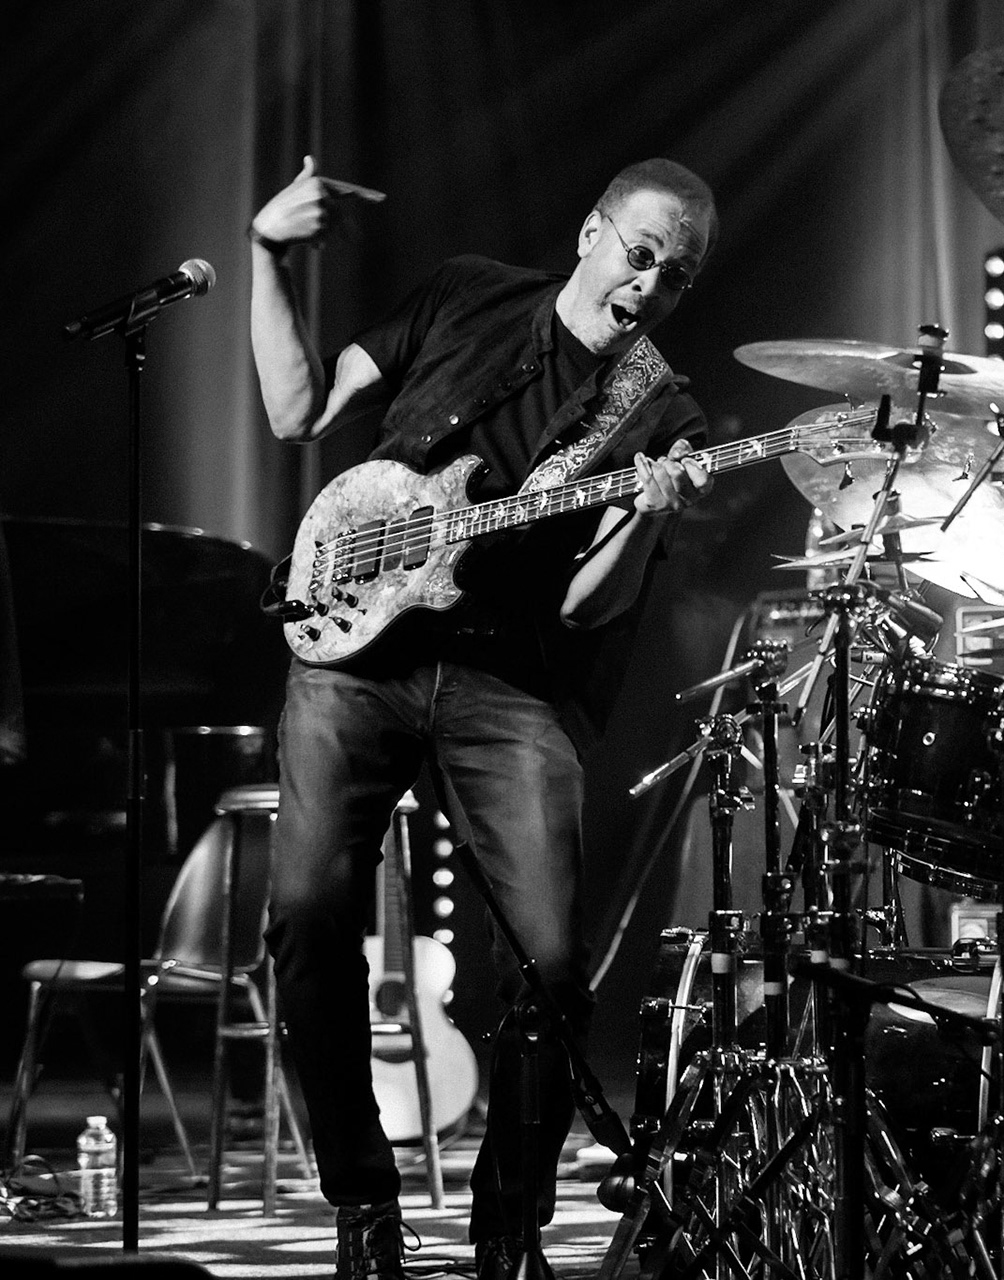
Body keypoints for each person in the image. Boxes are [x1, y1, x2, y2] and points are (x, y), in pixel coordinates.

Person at [247, 155, 716, 1280]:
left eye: (676, 277)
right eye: (640, 254)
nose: (649, 287)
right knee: (307, 921)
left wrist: (645, 519)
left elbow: (583, 605)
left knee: (552, 962)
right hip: (356, 647)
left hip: (508, 678)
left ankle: (510, 1232)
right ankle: (365, 1208)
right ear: (591, 234)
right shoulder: (465, 294)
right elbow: (296, 408)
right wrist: (266, 255)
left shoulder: (659, 405)